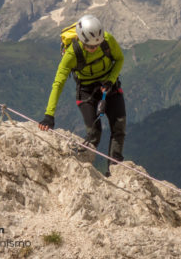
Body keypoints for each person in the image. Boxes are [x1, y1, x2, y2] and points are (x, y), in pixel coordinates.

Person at [39, 14, 126, 172]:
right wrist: (49, 115)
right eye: (90, 46)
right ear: (81, 40)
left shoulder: (107, 40)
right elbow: (58, 83)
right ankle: (82, 169)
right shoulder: (72, 54)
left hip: (109, 85)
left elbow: (119, 59)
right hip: (86, 91)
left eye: (97, 45)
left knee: (119, 127)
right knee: (94, 134)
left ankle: (115, 170)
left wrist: (110, 80)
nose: (94, 49)